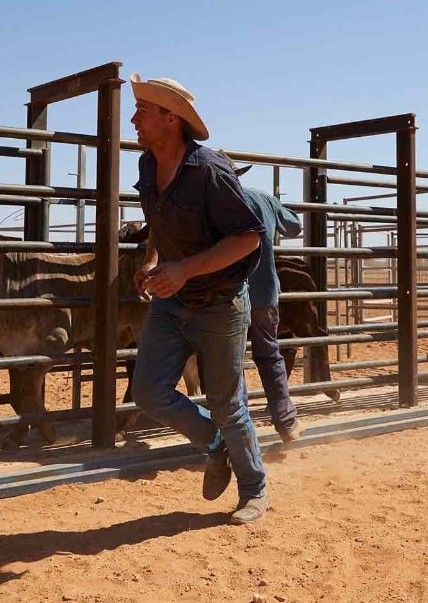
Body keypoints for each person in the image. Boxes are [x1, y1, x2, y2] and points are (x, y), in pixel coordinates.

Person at [128, 72, 270, 525]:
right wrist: (152, 260)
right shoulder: (148, 165)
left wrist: (184, 268)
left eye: (142, 112)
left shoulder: (210, 170)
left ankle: (254, 490)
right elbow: (159, 220)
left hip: (219, 303)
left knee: (227, 401)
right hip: (172, 300)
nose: (133, 120)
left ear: (171, 119)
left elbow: (249, 237)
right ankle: (215, 447)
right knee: (148, 391)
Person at [217, 152, 304, 442]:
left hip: (231, 296)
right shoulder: (261, 198)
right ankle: (286, 421)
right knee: (269, 354)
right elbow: (294, 225)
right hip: (265, 293)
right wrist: (274, 210)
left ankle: (241, 432)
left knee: (233, 362)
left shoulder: (215, 204)